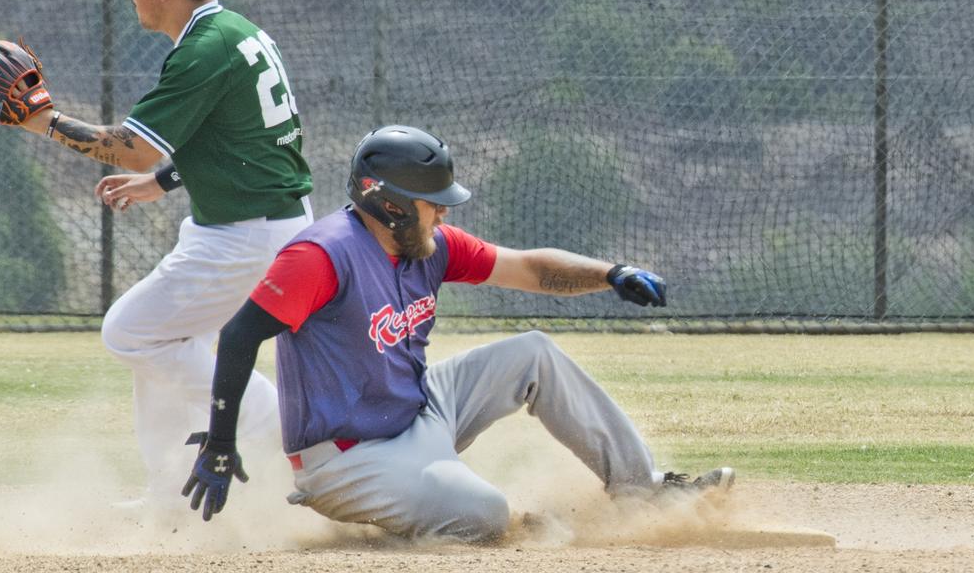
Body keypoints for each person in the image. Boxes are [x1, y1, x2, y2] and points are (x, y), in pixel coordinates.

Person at [177, 125, 733, 541]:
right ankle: (418, 521)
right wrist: (220, 441)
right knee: (488, 516)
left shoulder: (428, 245)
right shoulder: (321, 256)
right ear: (390, 205)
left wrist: (609, 273)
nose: (442, 217)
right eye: (432, 205)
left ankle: (643, 490)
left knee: (532, 354)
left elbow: (528, 268)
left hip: (417, 413)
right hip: (348, 458)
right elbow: (241, 333)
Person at [17, 0, 313, 508]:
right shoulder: (236, 32)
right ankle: (171, 491)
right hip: (262, 221)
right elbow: (238, 135)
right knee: (163, 347)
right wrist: (166, 180)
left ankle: (274, 422)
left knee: (128, 331)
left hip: (244, 234)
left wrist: (43, 122)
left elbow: (132, 145)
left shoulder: (204, 50)